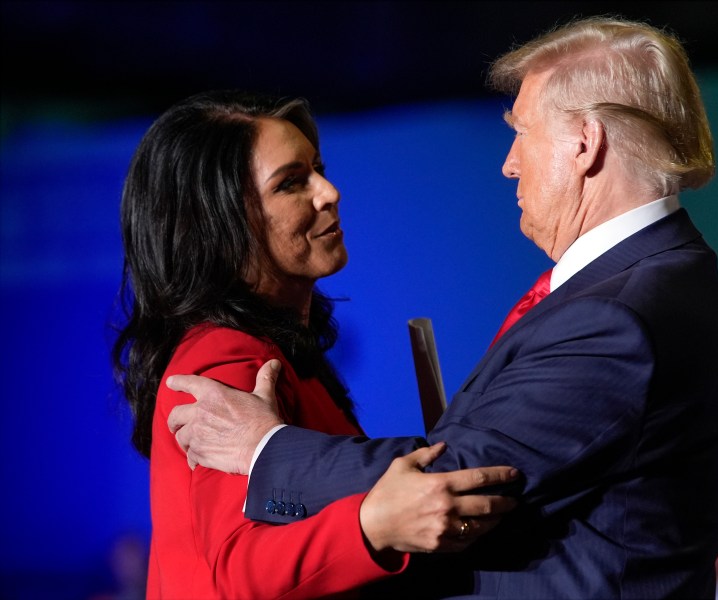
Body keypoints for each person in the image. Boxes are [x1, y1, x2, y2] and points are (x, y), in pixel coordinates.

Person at [167, 16, 718, 599]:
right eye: (293, 181)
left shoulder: (617, 314)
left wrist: (264, 450)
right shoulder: (662, 280)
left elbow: (455, 479)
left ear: (584, 142)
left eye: (521, 132)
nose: (509, 163)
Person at [111, 89, 519, 599]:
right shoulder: (224, 356)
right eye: (291, 183)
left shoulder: (278, 350)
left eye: (318, 169)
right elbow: (237, 572)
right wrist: (373, 525)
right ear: (219, 224)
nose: (329, 192)